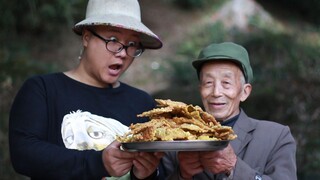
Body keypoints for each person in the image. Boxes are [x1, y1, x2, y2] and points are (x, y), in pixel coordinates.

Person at [9, 0, 164, 179]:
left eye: (132, 44)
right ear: (87, 37)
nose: (122, 52)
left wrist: (145, 174)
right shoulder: (43, 90)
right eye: (113, 40)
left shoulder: (142, 102)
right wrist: (98, 163)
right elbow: (24, 154)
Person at [160, 42, 297, 180]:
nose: (216, 92)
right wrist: (182, 175)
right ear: (200, 89)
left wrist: (234, 167)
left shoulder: (276, 137)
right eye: (208, 83)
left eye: (226, 83)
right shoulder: (176, 140)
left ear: (244, 92)